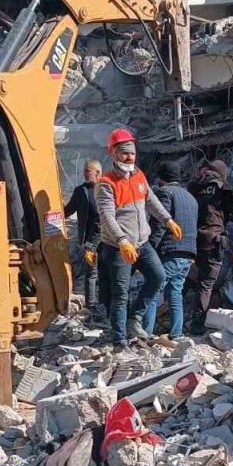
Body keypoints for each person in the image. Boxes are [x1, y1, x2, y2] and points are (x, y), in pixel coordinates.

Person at [93, 128, 182, 347]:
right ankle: (119, 339)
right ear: (113, 154)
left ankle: (135, 318)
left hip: (142, 244)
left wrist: (167, 220)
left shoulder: (139, 176)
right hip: (117, 247)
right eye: (124, 153)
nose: (129, 157)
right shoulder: (106, 183)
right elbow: (107, 217)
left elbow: (151, 201)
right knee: (120, 293)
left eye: (131, 153)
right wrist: (122, 240)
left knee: (158, 277)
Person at [188, 159, 233, 334]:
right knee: (207, 284)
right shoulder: (221, 187)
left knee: (190, 280)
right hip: (212, 240)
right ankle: (198, 324)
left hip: (192, 239)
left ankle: (173, 318)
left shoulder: (193, 186)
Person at [143, 164, 198, 338]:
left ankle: (145, 333)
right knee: (175, 292)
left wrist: (149, 248)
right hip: (188, 253)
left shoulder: (165, 192)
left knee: (152, 287)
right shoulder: (191, 197)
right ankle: (176, 333)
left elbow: (160, 222)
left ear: (161, 178)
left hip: (170, 250)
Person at [64, 159, 103, 315]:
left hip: (106, 239)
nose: (85, 174)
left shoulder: (107, 189)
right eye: (84, 171)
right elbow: (68, 210)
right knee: (91, 273)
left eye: (88, 171)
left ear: (98, 173)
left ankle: (107, 303)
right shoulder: (81, 191)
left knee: (106, 272)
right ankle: (91, 305)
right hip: (88, 240)